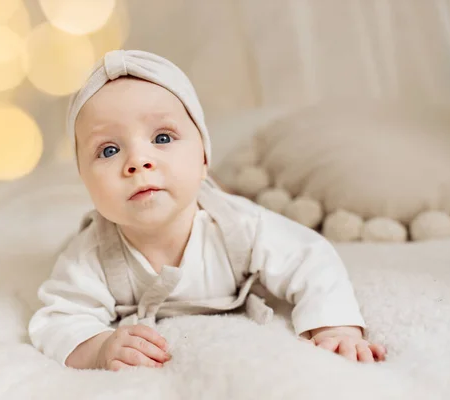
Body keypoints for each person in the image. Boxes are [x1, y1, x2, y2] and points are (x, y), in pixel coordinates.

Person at [28, 50, 387, 371]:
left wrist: (333, 326)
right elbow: (58, 320)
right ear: (85, 182)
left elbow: (310, 260)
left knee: (242, 204)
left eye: (162, 138)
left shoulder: (237, 226)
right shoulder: (91, 255)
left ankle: (223, 183)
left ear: (203, 157)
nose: (138, 161)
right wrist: (99, 348)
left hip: (215, 199)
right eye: (108, 150)